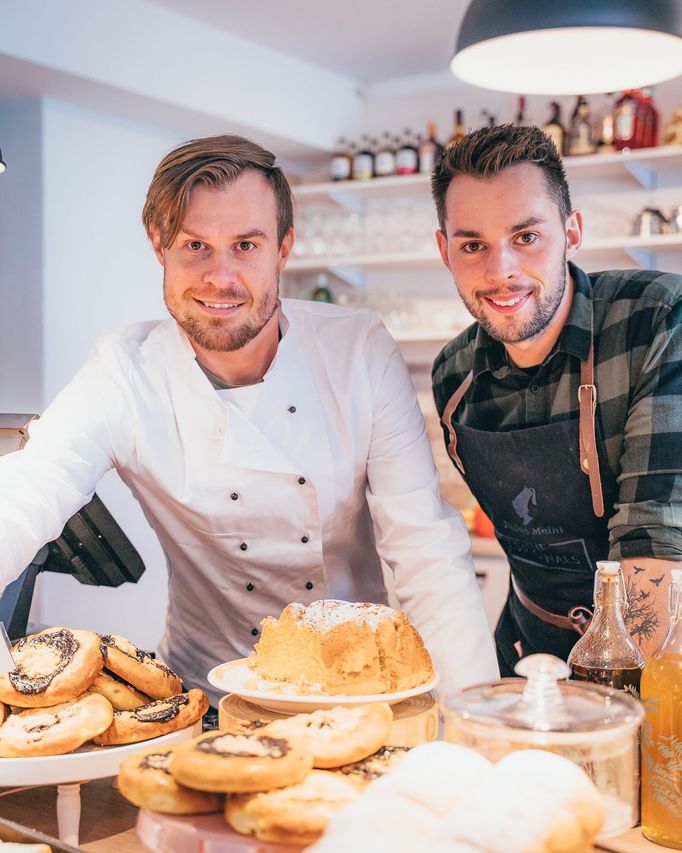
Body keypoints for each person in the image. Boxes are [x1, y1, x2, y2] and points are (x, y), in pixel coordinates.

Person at [0, 134, 497, 706]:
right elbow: (33, 484)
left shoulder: (357, 351)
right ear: (158, 244)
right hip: (205, 697)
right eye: (195, 245)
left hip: (358, 695)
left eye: (245, 245)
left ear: (283, 248)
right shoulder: (124, 372)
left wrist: (470, 717)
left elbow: (423, 549)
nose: (220, 276)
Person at [431, 123, 682, 676]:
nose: (501, 272)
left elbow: (654, 544)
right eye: (473, 245)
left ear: (571, 232)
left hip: (651, 658)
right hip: (527, 658)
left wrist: (612, 714)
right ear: (444, 250)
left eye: (526, 237)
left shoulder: (655, 319)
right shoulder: (454, 375)